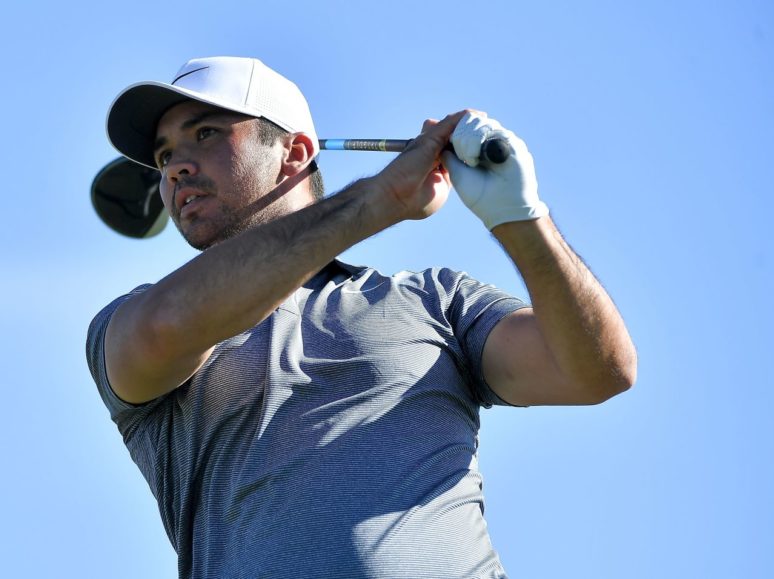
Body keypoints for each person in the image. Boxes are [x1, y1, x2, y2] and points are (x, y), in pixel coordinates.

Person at [87, 56, 636, 578]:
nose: (176, 168)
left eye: (206, 134)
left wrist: (518, 216)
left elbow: (597, 370)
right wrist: (379, 199)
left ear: (295, 152)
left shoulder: (436, 300)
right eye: (163, 157)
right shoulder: (139, 318)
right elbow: (165, 328)